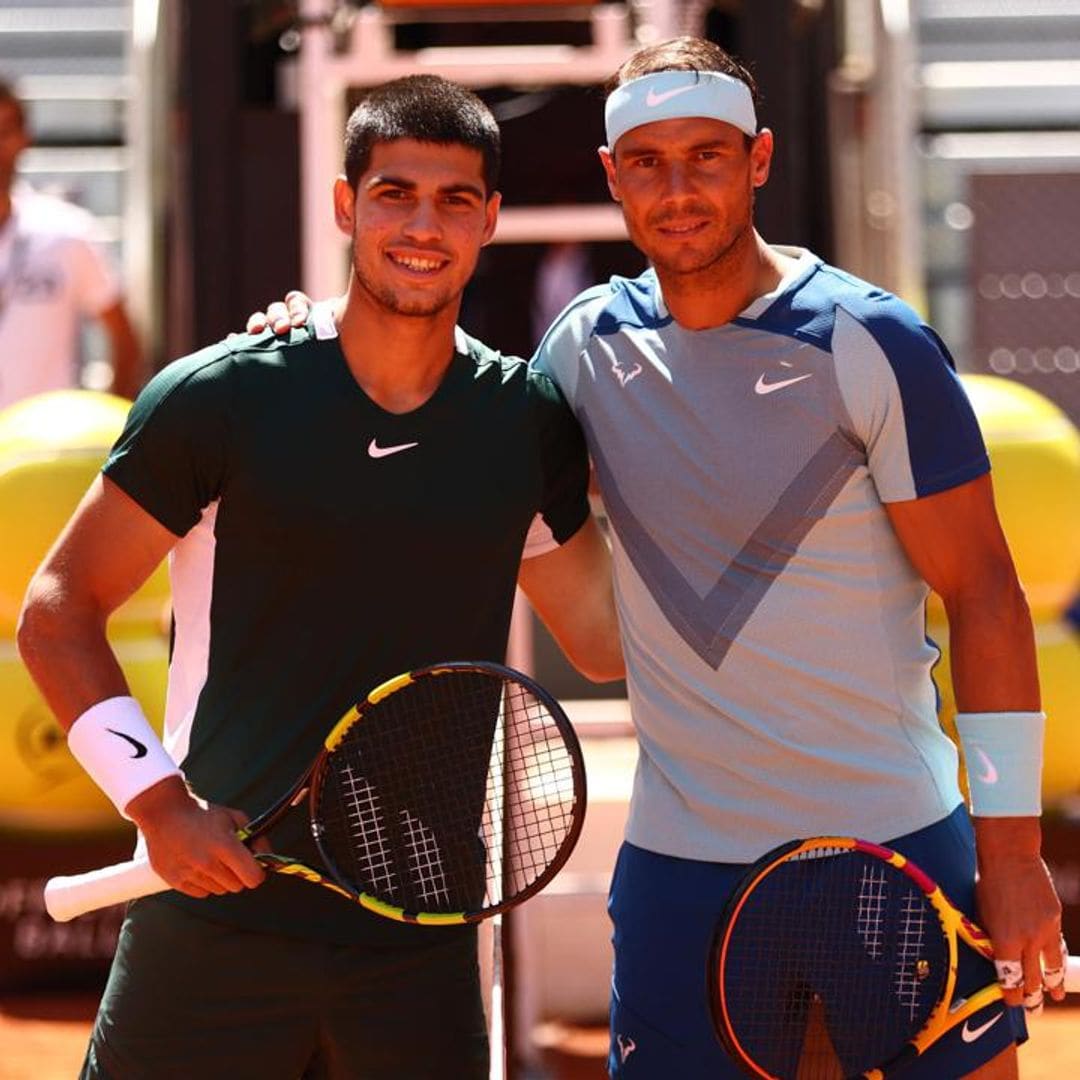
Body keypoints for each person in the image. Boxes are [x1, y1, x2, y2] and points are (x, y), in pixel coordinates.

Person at [258, 39, 1067, 1080]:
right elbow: (437, 401)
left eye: (707, 157)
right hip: (682, 869)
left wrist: (1009, 853)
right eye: (646, 161)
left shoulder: (873, 341)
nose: (677, 189)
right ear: (610, 175)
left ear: (759, 160)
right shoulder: (583, 350)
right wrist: (310, 334)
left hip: (892, 849)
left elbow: (984, 595)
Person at [17, 75, 622, 1079]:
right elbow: (56, 612)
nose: (422, 225)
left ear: (490, 222)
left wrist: (668, 462)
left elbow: (601, 640)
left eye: (455, 200)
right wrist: (157, 806)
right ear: (346, 206)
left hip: (417, 934)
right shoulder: (221, 398)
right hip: (210, 931)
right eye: (394, 193)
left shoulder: (524, 424)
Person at [0, 77, 141, 408]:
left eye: (3, 131)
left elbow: (125, 340)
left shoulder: (67, 231)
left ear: (24, 138)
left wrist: (109, 435)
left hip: (41, 451)